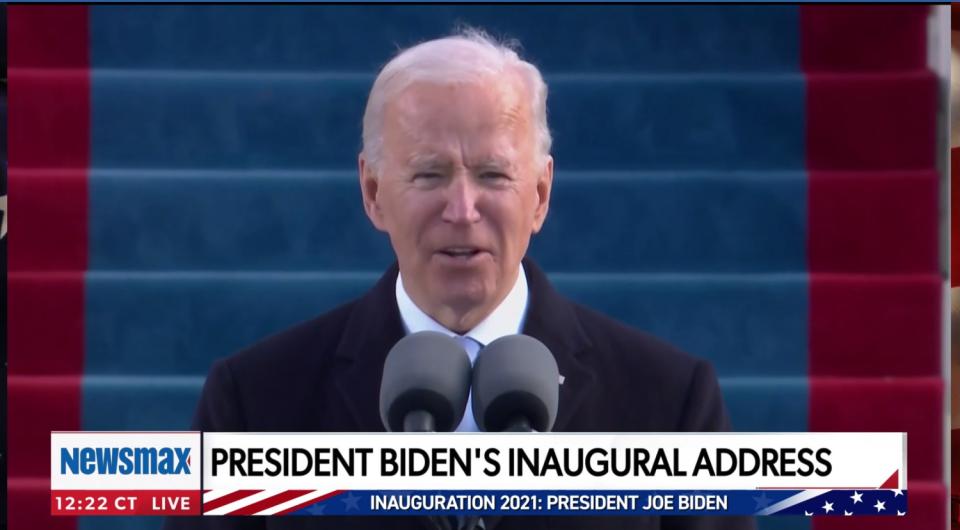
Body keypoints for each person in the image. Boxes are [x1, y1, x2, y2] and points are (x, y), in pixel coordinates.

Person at [166, 29, 754, 530]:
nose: (463, 208)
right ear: (373, 192)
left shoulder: (671, 402)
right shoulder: (253, 403)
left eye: (494, 174)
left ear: (541, 195)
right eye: (429, 174)